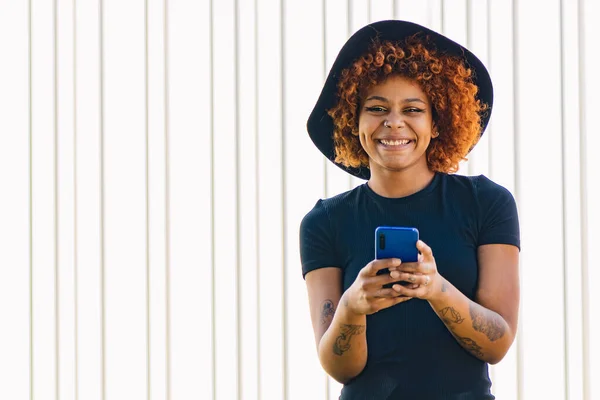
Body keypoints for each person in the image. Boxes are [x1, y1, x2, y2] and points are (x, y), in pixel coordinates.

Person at [300, 20, 520, 400]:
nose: (394, 122)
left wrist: (437, 290)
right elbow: (339, 368)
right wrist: (352, 307)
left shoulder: (486, 202)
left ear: (438, 122)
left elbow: (497, 344)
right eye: (377, 107)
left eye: (413, 109)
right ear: (354, 121)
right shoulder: (324, 223)